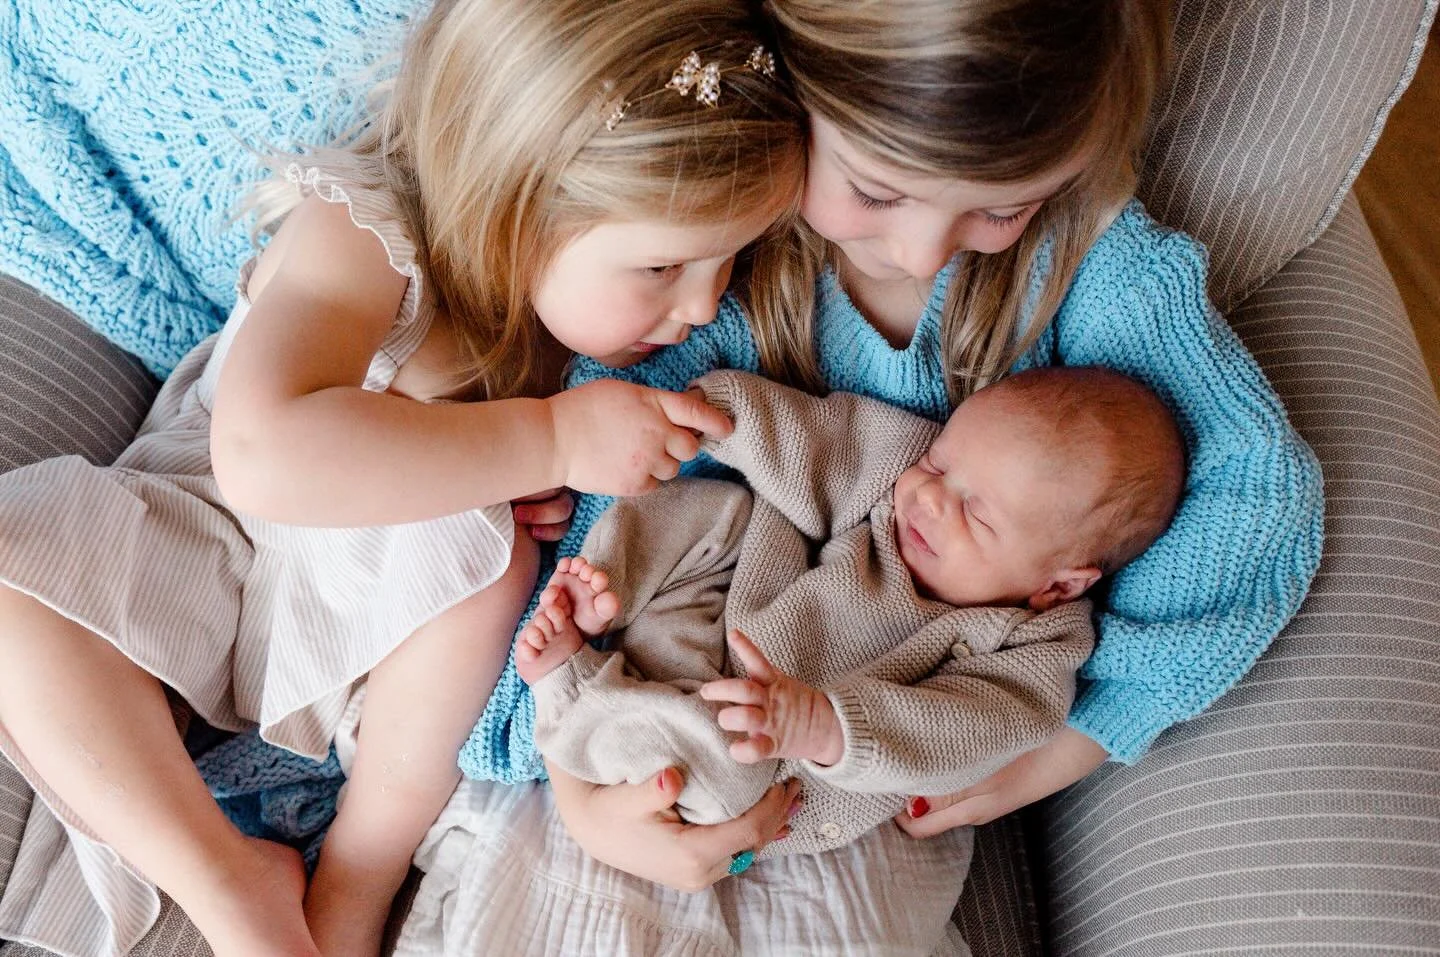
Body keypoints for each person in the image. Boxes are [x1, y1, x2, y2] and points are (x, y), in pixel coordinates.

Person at [0, 1, 805, 955]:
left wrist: (527, 476)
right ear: (518, 194)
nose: (705, 302)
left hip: (370, 661)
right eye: (665, 263)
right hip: (203, 544)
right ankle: (227, 881)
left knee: (488, 550)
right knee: (13, 576)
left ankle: (354, 880)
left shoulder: (587, 336)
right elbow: (264, 456)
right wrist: (543, 440)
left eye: (730, 259)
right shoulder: (367, 232)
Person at [531, 0, 1324, 897]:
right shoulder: (725, 247)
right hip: (693, 623)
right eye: (873, 190)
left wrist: (1078, 737)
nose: (920, 249)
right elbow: (623, 487)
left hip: (830, 739)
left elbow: (1261, 492)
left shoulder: (1092, 268)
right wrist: (576, 792)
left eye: (1002, 206)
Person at [517, 366, 1184, 862]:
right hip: (720, 623)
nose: (927, 498)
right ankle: (600, 600)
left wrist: (820, 726)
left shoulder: (1032, 654)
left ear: (1059, 584)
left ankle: (570, 686)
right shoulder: (897, 484)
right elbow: (819, 441)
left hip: (769, 769)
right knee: (723, 512)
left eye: (975, 512)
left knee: (724, 770)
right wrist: (711, 413)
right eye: (938, 462)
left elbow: (956, 734)